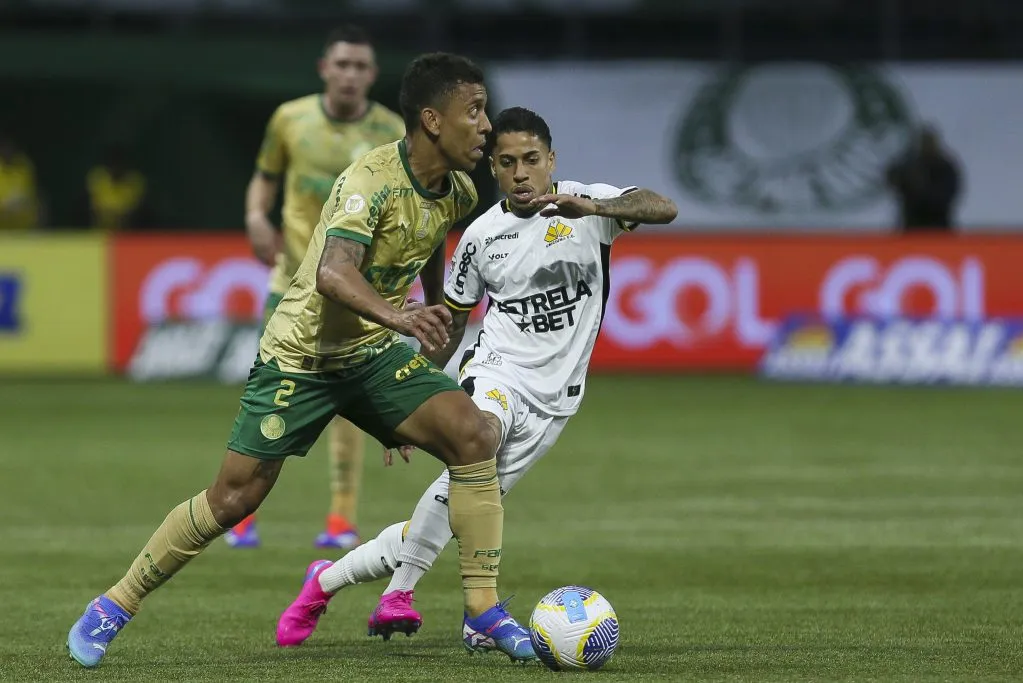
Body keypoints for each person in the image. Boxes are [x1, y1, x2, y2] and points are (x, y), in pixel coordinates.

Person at [67, 52, 532, 669]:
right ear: (432, 120)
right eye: (472, 111)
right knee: (235, 498)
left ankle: (483, 608)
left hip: (372, 358)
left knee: (472, 434)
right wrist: (399, 320)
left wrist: (416, 392)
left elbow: (428, 270)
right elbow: (333, 273)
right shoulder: (371, 180)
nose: (485, 125)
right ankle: (113, 605)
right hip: (301, 357)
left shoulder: (459, 192)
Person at [274, 106, 677, 657]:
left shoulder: (591, 206)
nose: (521, 173)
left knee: (452, 511)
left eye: (532, 160)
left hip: (556, 402)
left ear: (551, 160)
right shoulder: (481, 237)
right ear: (494, 169)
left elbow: (664, 208)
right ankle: (439, 602)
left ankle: (328, 582)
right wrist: (415, 400)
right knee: (479, 439)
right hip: (495, 377)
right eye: (507, 162)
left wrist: (597, 206)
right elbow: (450, 327)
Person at [234, 24, 406, 550]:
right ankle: (239, 513)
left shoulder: (392, 131)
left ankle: (340, 519)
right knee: (267, 397)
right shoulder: (290, 119)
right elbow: (266, 174)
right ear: (324, 69)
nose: (350, 75)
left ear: (372, 75)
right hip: (290, 282)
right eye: (342, 65)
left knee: (346, 402)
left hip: (351, 289)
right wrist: (256, 216)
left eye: (361, 67)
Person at [885, 124, 961, 232]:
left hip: (938, 228)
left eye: (929, 142)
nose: (926, 146)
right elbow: (892, 178)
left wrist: (922, 188)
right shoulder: (909, 164)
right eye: (924, 142)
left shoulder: (944, 167)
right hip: (911, 228)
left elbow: (945, 196)